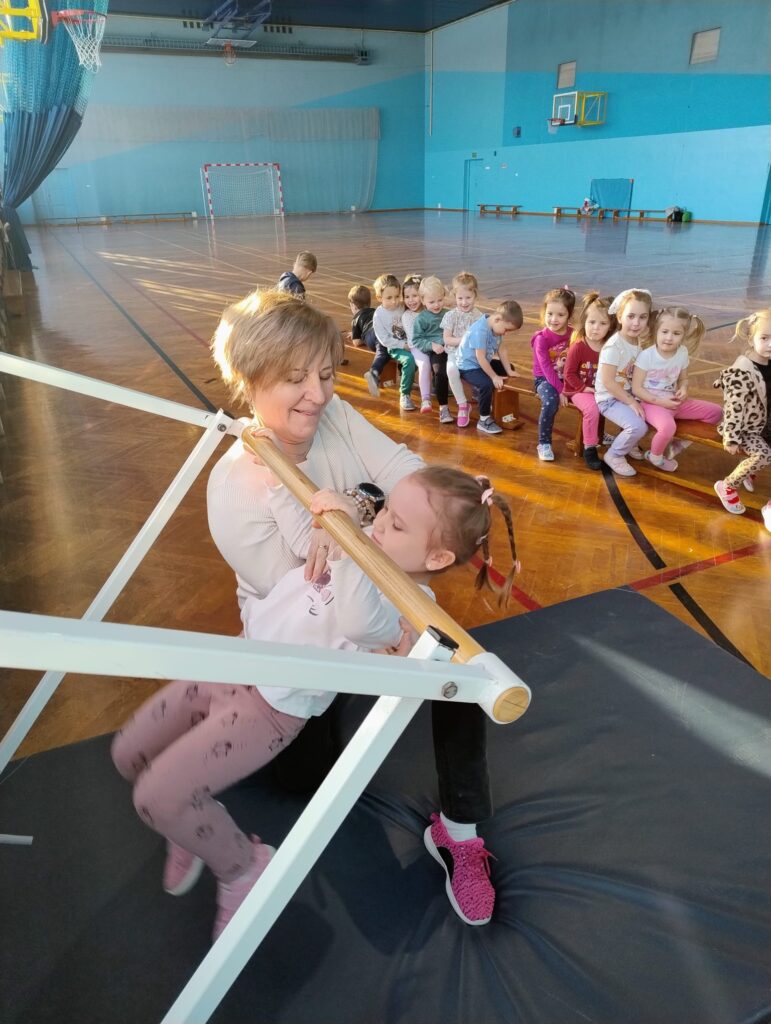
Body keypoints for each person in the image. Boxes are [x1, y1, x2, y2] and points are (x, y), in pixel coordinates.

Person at [189, 289, 502, 926]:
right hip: (305, 640)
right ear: (251, 380)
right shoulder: (234, 488)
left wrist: (449, 503)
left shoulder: (332, 414)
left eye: (327, 374)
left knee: (462, 672)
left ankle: (459, 831)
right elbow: (311, 592)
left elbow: (403, 472)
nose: (318, 394)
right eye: (295, 379)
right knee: (301, 780)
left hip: (373, 603)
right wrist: (366, 523)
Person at [111, 462, 520, 939]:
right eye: (385, 510)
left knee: (158, 797)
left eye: (397, 524)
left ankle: (242, 868)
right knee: (128, 754)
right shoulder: (364, 543)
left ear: (436, 558)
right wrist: (306, 498)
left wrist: (347, 548)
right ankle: (192, 826)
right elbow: (307, 535)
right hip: (232, 660)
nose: (379, 523)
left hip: (267, 709)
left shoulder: (406, 604)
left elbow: (359, 622)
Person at [632, 306, 722, 472]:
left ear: (684, 335)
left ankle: (679, 444)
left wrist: (684, 388)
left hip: (674, 402)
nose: (669, 338)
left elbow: (683, 378)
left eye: (676, 333)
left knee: (716, 412)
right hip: (650, 403)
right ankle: (655, 457)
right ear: (656, 331)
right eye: (664, 332)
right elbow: (636, 389)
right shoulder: (646, 356)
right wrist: (661, 402)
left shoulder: (682, 352)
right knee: (667, 427)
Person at [713, 308, 771, 530]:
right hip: (745, 428)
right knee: (764, 454)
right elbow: (733, 408)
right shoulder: (741, 371)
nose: (770, 344)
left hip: (765, 423)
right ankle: (727, 486)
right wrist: (732, 436)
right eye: (764, 338)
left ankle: (749, 471)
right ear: (751, 338)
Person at [595, 288, 653, 476]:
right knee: (638, 426)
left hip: (627, 394)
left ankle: (630, 443)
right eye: (631, 316)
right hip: (609, 398)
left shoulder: (637, 341)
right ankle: (615, 455)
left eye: (642, 317)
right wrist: (632, 402)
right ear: (620, 317)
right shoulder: (614, 346)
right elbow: (608, 382)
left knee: (654, 414)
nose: (636, 323)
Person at [563, 292, 615, 470]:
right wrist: (583, 388)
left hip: (600, 389)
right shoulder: (578, 346)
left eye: (602, 324)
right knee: (592, 408)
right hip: (577, 390)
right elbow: (569, 374)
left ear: (610, 326)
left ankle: (627, 444)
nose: (595, 328)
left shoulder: (609, 347)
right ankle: (590, 447)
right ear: (585, 322)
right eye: (592, 322)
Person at [457, 301, 522, 435]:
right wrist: (494, 377)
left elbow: (501, 349)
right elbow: (480, 358)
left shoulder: (496, 327)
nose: (506, 333)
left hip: (481, 362)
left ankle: (500, 404)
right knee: (486, 384)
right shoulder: (480, 331)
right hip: (468, 366)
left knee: (507, 368)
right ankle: (484, 419)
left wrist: (509, 370)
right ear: (497, 319)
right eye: (507, 330)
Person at [530, 286, 576, 461]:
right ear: (544, 312)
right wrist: (561, 390)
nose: (554, 319)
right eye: (550, 314)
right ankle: (544, 443)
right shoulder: (541, 339)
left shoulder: (573, 334)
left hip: (567, 377)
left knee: (595, 395)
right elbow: (546, 368)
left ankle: (596, 437)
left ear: (569, 315)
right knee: (550, 401)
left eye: (560, 315)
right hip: (545, 379)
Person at [364, 273, 417, 411]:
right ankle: (405, 395)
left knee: (421, 357)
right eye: (389, 298)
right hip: (395, 347)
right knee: (410, 360)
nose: (394, 301)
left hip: (410, 343)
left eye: (397, 296)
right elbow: (384, 339)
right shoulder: (378, 315)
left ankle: (407, 377)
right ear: (379, 298)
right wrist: (402, 345)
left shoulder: (402, 306)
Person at [441, 272, 484, 428]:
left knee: (483, 369)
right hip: (454, 353)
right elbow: (447, 339)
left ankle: (482, 397)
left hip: (473, 355)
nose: (464, 302)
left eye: (468, 298)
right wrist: (463, 340)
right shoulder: (450, 316)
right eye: (460, 298)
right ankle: (463, 405)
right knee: (451, 370)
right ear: (455, 297)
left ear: (475, 296)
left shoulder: (479, 317)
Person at [411, 276, 453, 423]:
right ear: (423, 301)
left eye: (440, 300)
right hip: (437, 352)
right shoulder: (421, 319)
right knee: (440, 372)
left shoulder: (448, 314)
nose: (436, 305)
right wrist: (432, 346)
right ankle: (443, 408)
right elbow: (416, 340)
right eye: (432, 302)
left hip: (452, 349)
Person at [401, 273, 433, 413]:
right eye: (407, 297)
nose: (411, 300)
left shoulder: (429, 310)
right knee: (424, 364)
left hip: (433, 345)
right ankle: (425, 399)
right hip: (417, 348)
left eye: (414, 296)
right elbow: (414, 339)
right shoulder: (407, 316)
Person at [345, 284, 376, 350]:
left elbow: (356, 342)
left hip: (373, 337)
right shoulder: (375, 311)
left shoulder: (356, 319)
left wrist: (357, 336)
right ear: (369, 302)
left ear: (353, 306)